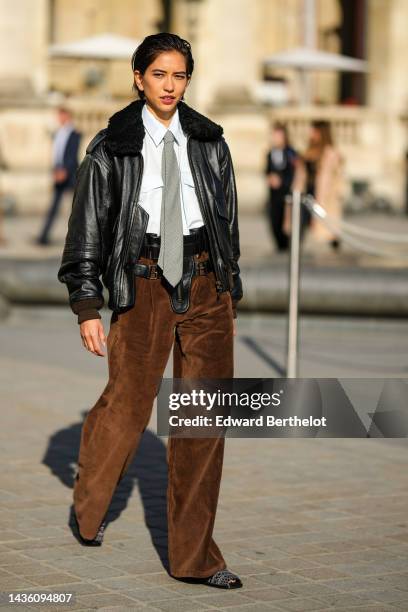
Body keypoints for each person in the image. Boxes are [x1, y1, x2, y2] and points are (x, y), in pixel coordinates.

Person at [57, 33, 243, 589]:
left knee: (204, 422)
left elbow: (226, 215)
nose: (169, 85)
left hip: (208, 283)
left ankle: (195, 559)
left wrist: (229, 284)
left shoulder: (210, 140)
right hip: (143, 284)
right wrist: (88, 305)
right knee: (127, 407)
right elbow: (86, 231)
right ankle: (90, 509)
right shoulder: (111, 146)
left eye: (179, 75)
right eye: (159, 74)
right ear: (138, 77)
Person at [36, 106, 81, 245]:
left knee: (78, 207)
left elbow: (72, 156)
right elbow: (57, 154)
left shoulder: (75, 134)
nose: (58, 118)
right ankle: (43, 236)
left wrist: (64, 170)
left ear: (67, 116)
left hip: (70, 174)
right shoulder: (57, 133)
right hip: (58, 173)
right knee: (54, 206)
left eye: (60, 115)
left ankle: (80, 238)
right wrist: (56, 170)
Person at [296, 120, 344, 249]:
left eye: (314, 131)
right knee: (301, 224)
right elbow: (301, 174)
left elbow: (337, 177)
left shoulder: (330, 153)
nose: (310, 134)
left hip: (324, 194)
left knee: (326, 228)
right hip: (307, 193)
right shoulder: (308, 152)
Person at [264, 122, 298, 251]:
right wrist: (270, 177)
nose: (276, 139)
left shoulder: (291, 153)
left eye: (278, 136)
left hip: (287, 194)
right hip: (274, 195)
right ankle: (279, 245)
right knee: (274, 220)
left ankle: (286, 244)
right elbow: (267, 170)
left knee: (287, 221)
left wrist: (282, 181)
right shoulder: (269, 153)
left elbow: (294, 173)